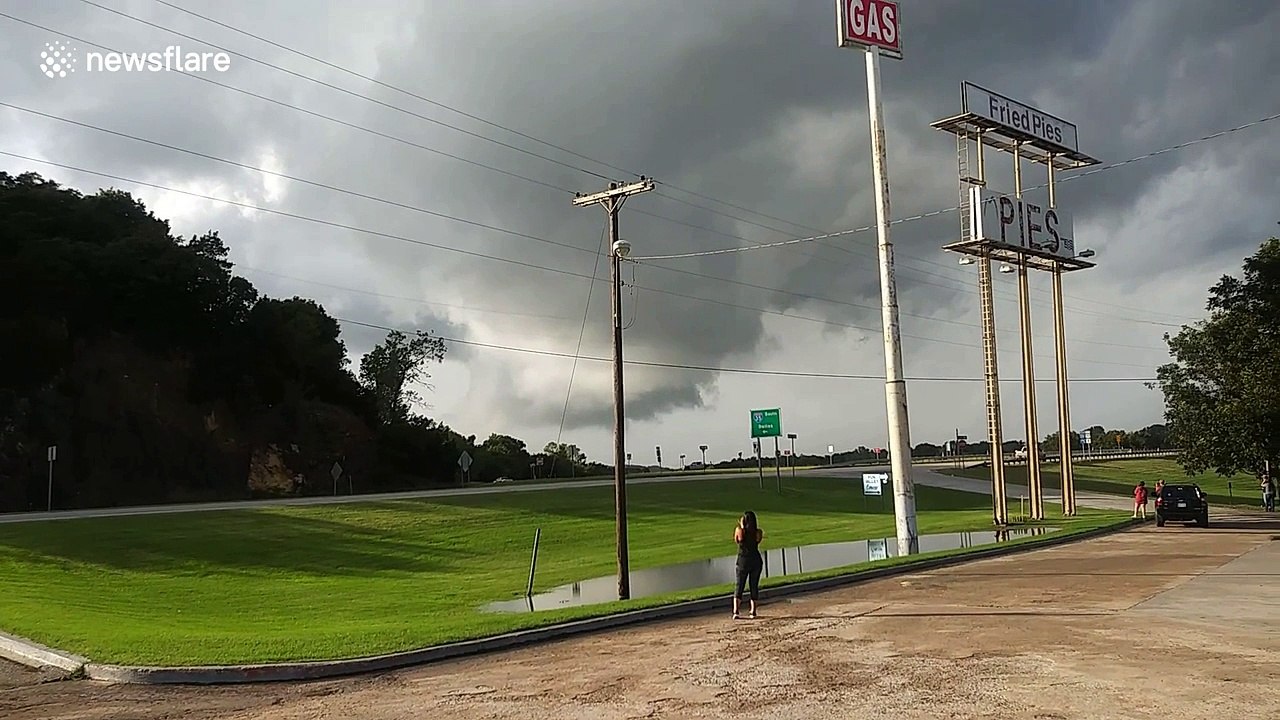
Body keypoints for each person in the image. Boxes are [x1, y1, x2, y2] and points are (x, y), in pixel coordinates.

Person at [732, 510, 764, 619]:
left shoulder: (740, 531)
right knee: (753, 586)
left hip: (743, 560)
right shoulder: (758, 532)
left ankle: (736, 611)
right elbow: (758, 540)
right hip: (755, 560)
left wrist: (741, 526)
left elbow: (737, 540)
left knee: (739, 585)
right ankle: (753, 611)